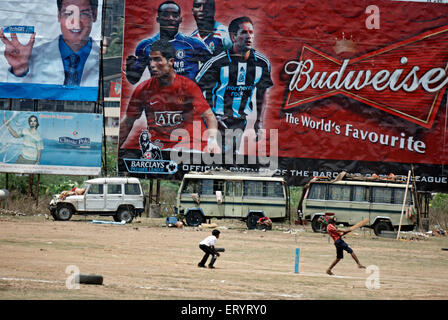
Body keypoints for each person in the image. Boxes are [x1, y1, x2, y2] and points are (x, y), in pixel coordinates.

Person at [119, 40, 221, 155]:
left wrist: (212, 142)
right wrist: (117, 150)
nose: (152, 65)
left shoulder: (188, 86)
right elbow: (127, 123)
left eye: (157, 59)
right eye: (151, 60)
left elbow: (209, 117)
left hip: (191, 148)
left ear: (171, 62)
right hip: (160, 150)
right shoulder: (143, 89)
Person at [195, 16, 273, 152]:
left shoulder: (261, 63)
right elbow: (194, 90)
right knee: (212, 159)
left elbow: (262, 92)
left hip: (239, 121)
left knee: (230, 160)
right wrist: (210, 117)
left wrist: (259, 121)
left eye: (251, 32)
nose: (249, 36)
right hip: (215, 120)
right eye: (244, 32)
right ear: (233, 37)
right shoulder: (217, 63)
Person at [0, 0, 100, 86]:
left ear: (94, 15)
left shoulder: (104, 60)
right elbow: (17, 99)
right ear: (59, 15)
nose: (75, 23)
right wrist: (19, 71)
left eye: (83, 14)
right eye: (69, 14)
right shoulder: (32, 58)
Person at [125, 1, 212, 84]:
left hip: (187, 97)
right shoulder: (145, 46)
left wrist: (197, 84)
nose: (170, 18)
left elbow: (214, 66)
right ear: (158, 19)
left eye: (175, 15)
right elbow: (133, 80)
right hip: (159, 96)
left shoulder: (193, 44)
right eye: (166, 15)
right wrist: (130, 69)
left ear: (180, 19)